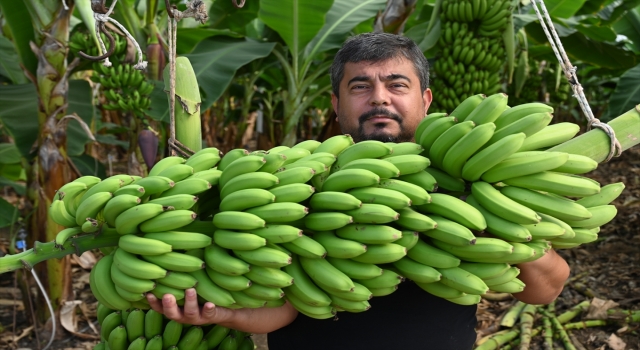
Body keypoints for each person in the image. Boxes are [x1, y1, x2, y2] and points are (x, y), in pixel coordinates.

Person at [146, 32, 570, 349]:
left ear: (425, 99)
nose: (379, 98)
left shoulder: (467, 182)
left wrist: (501, 219)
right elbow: (287, 305)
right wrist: (227, 313)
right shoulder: (293, 183)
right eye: (360, 86)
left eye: (396, 85)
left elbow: (544, 289)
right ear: (335, 104)